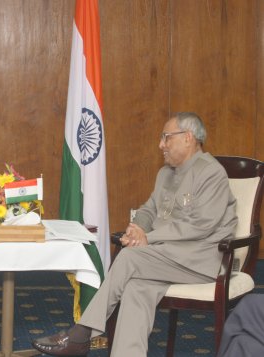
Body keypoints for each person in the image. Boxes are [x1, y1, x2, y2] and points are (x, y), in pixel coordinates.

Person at [31, 112, 238, 357]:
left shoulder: (211, 172)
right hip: (168, 257)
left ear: (188, 138)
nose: (161, 145)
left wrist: (149, 237)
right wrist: (137, 228)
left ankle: (81, 334)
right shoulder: (165, 174)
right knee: (136, 289)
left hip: (203, 259)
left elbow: (201, 225)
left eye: (166, 138)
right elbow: (148, 210)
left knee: (129, 258)